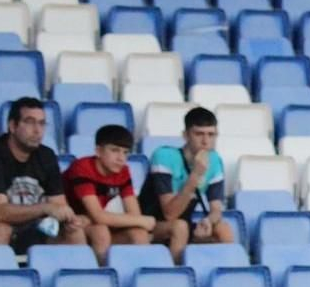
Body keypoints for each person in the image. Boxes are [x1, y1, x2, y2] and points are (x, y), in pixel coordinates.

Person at [0, 97, 94, 253]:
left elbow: (58, 204)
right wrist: (45, 208)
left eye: (42, 123)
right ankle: (1, 278)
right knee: (1, 230)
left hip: (25, 226)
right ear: (12, 126)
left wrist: (70, 219)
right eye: (30, 122)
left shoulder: (47, 156)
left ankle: (74, 276)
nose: (37, 130)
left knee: (73, 232)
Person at [64, 125, 188, 263]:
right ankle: (103, 277)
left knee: (139, 234)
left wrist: (140, 221)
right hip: (68, 226)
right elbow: (98, 215)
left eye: (125, 152)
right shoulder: (82, 167)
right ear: (98, 151)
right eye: (115, 150)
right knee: (101, 232)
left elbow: (134, 214)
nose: (121, 158)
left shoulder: (122, 171)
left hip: (94, 222)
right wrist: (143, 221)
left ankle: (147, 276)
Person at [140, 107, 237, 248]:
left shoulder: (214, 160)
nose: (205, 141)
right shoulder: (164, 156)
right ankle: (176, 270)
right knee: (180, 227)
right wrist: (196, 174)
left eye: (211, 135)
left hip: (183, 222)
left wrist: (208, 221)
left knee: (223, 229)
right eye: (199, 134)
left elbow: (216, 208)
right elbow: (169, 214)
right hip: (152, 224)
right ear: (186, 135)